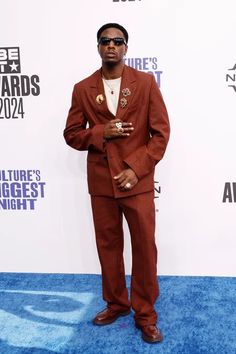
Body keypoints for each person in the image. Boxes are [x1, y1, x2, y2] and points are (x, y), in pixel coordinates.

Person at [64, 23, 170, 343]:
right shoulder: (83, 88)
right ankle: (116, 303)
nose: (111, 45)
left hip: (136, 182)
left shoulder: (146, 83)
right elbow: (71, 135)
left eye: (118, 41)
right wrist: (100, 133)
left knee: (144, 249)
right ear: (98, 47)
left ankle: (145, 314)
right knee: (108, 248)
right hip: (101, 183)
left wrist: (136, 170)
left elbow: (160, 134)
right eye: (105, 41)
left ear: (126, 47)